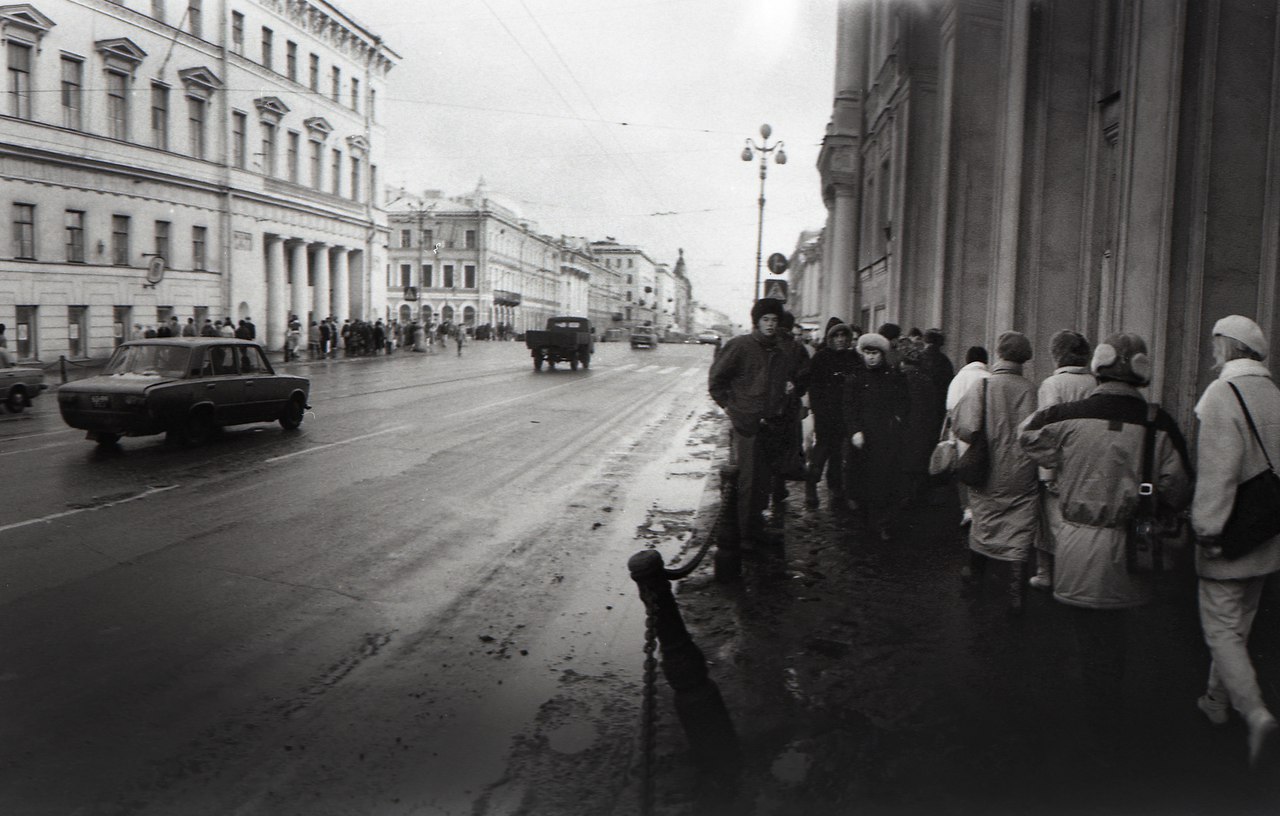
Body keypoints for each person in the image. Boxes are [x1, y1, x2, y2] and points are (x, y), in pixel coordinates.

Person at [1019, 332, 1192, 733]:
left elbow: (1026, 433)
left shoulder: (1067, 415)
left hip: (1077, 538)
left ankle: (1095, 699)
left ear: (1099, 367)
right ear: (1140, 372)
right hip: (1134, 541)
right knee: (1117, 628)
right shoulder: (1158, 422)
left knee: (1086, 627)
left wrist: (1061, 459)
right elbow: (1177, 485)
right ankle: (1110, 696)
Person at [1189, 315, 1280, 766]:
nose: (1211, 352)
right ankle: (1216, 700)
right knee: (1239, 624)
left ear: (1229, 347)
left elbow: (1218, 474)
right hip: (1266, 533)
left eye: (1214, 342)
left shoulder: (1221, 396)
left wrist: (1206, 529)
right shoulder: (1275, 395)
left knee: (1221, 630)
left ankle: (1255, 711)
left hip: (1228, 533)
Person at [954, 331, 1039, 612]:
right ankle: (1016, 594)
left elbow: (965, 427)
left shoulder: (984, 386)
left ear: (999, 354)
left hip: (987, 469)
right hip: (1023, 472)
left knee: (984, 523)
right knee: (1020, 530)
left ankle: (974, 577)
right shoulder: (1031, 390)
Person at [708, 297, 798, 551]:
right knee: (748, 480)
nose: (770, 325)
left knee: (764, 480)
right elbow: (717, 380)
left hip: (772, 424)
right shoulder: (740, 346)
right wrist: (733, 409)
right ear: (756, 322)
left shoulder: (780, 352)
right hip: (748, 424)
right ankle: (746, 536)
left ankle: (756, 527)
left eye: (774, 320)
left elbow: (782, 384)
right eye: (765, 320)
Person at [1030, 330, 1096, 591]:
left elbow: (1047, 431)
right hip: (1087, 464)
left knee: (1049, 524)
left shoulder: (1051, 385)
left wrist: (1047, 473)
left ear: (1057, 354)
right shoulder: (1095, 384)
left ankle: (1046, 573)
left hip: (1059, 464)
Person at [842, 331, 910, 540]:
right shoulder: (855, 377)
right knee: (861, 479)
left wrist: (897, 420)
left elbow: (903, 402)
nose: (871, 357)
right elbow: (849, 407)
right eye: (867, 352)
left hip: (885, 437)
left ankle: (882, 522)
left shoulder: (892, 376)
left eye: (875, 353)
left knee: (884, 480)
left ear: (882, 355)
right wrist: (855, 431)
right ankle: (864, 520)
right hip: (862, 437)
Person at [805, 321, 861, 509]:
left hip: (845, 414)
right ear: (829, 338)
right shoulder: (821, 358)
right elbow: (814, 388)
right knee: (821, 452)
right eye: (836, 336)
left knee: (839, 453)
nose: (840, 340)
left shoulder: (854, 358)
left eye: (844, 336)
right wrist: (818, 412)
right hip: (826, 415)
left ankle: (835, 488)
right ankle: (811, 485)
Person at [918, 329, 955, 416]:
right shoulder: (945, 361)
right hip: (938, 404)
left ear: (925, 341)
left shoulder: (918, 357)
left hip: (919, 403)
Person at [946, 346, 991, 412]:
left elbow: (950, 404)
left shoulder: (957, 378)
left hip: (957, 418)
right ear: (986, 360)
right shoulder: (988, 378)